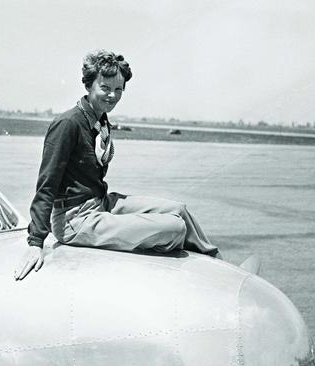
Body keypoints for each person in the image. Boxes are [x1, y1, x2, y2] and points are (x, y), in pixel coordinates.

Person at [14, 50, 220, 280]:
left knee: (179, 210)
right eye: (105, 88)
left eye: (119, 89)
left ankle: (218, 264)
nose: (112, 95)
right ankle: (201, 276)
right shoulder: (68, 124)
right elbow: (46, 185)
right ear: (89, 85)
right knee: (175, 228)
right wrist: (36, 242)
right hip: (75, 220)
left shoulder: (100, 119)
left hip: (100, 202)